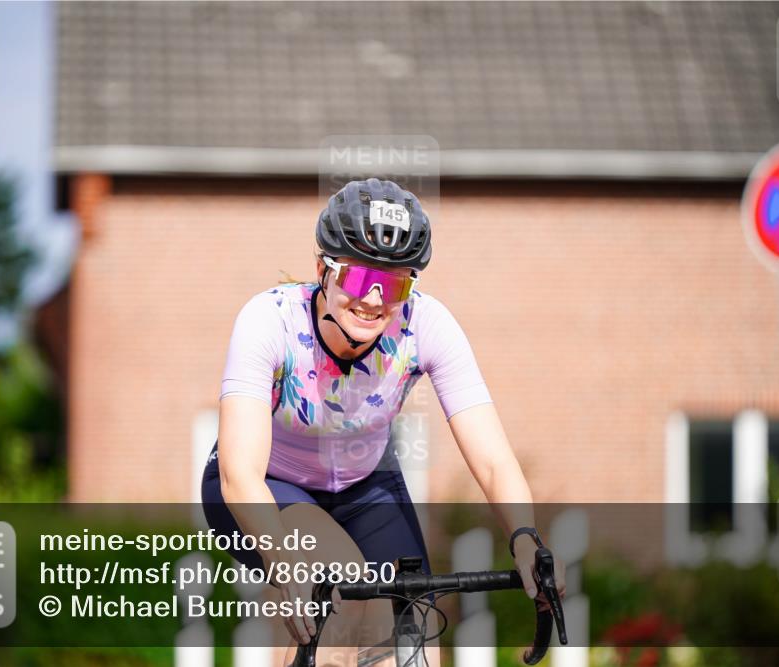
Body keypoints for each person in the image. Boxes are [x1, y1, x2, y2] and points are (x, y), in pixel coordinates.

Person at [201, 178, 564, 666]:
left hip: (366, 484)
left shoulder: (428, 325)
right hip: (268, 483)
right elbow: (240, 474)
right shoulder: (269, 321)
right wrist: (281, 557)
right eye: (356, 278)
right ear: (321, 270)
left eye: (393, 283)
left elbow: (495, 460)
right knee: (343, 603)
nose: (373, 300)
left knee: (414, 638)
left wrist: (525, 537)